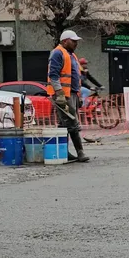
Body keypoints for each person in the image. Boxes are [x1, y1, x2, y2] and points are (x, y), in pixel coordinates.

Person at [48, 29, 89, 163]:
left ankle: (63, 151)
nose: (76, 43)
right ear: (65, 41)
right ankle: (80, 152)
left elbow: (75, 78)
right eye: (73, 41)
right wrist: (59, 93)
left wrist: (79, 96)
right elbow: (53, 75)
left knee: (64, 124)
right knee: (72, 122)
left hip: (71, 94)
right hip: (63, 95)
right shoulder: (57, 53)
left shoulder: (72, 55)